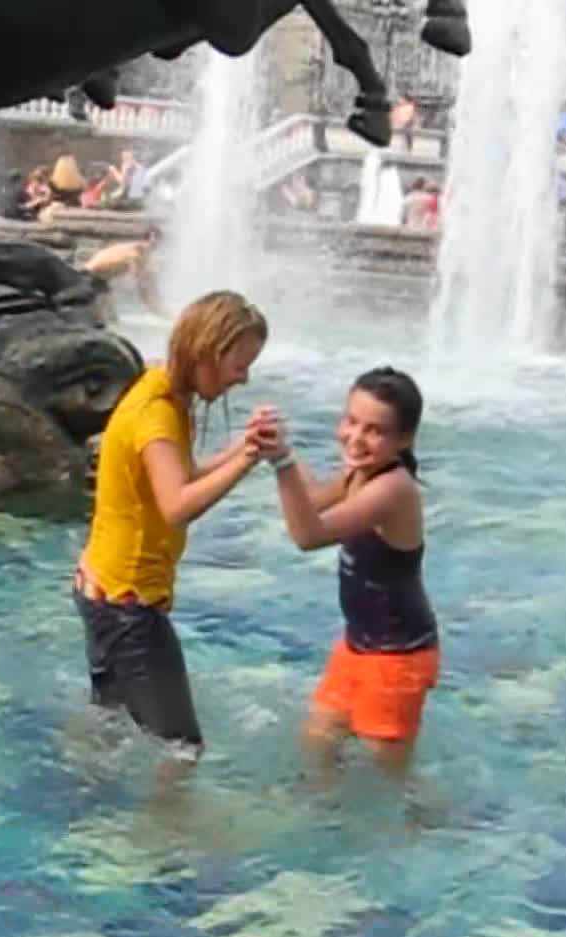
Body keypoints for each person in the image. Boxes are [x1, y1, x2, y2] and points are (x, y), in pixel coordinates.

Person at [73, 291, 279, 766]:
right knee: (182, 748)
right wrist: (249, 459)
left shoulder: (161, 393)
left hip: (101, 590)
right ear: (206, 352)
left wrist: (242, 445)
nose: (243, 378)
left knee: (111, 721)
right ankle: (162, 817)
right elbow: (177, 505)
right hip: (127, 603)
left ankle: (82, 797)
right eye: (239, 365)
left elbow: (181, 475)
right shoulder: (157, 414)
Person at [260, 367, 438, 785]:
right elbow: (312, 500)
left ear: (404, 440)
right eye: (351, 421)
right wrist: (280, 449)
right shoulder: (360, 474)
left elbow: (308, 535)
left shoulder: (393, 489)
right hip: (358, 644)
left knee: (388, 779)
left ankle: (429, 818)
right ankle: (321, 814)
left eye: (375, 431)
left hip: (398, 657)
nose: (356, 437)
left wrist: (283, 463)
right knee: (318, 742)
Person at [83, 225, 166, 317]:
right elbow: (140, 282)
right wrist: (156, 307)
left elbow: (148, 279)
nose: (156, 246)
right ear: (147, 240)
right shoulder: (135, 253)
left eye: (159, 243)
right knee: (104, 315)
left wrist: (157, 302)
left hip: (100, 281)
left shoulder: (144, 255)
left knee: (111, 316)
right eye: (154, 242)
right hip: (88, 277)